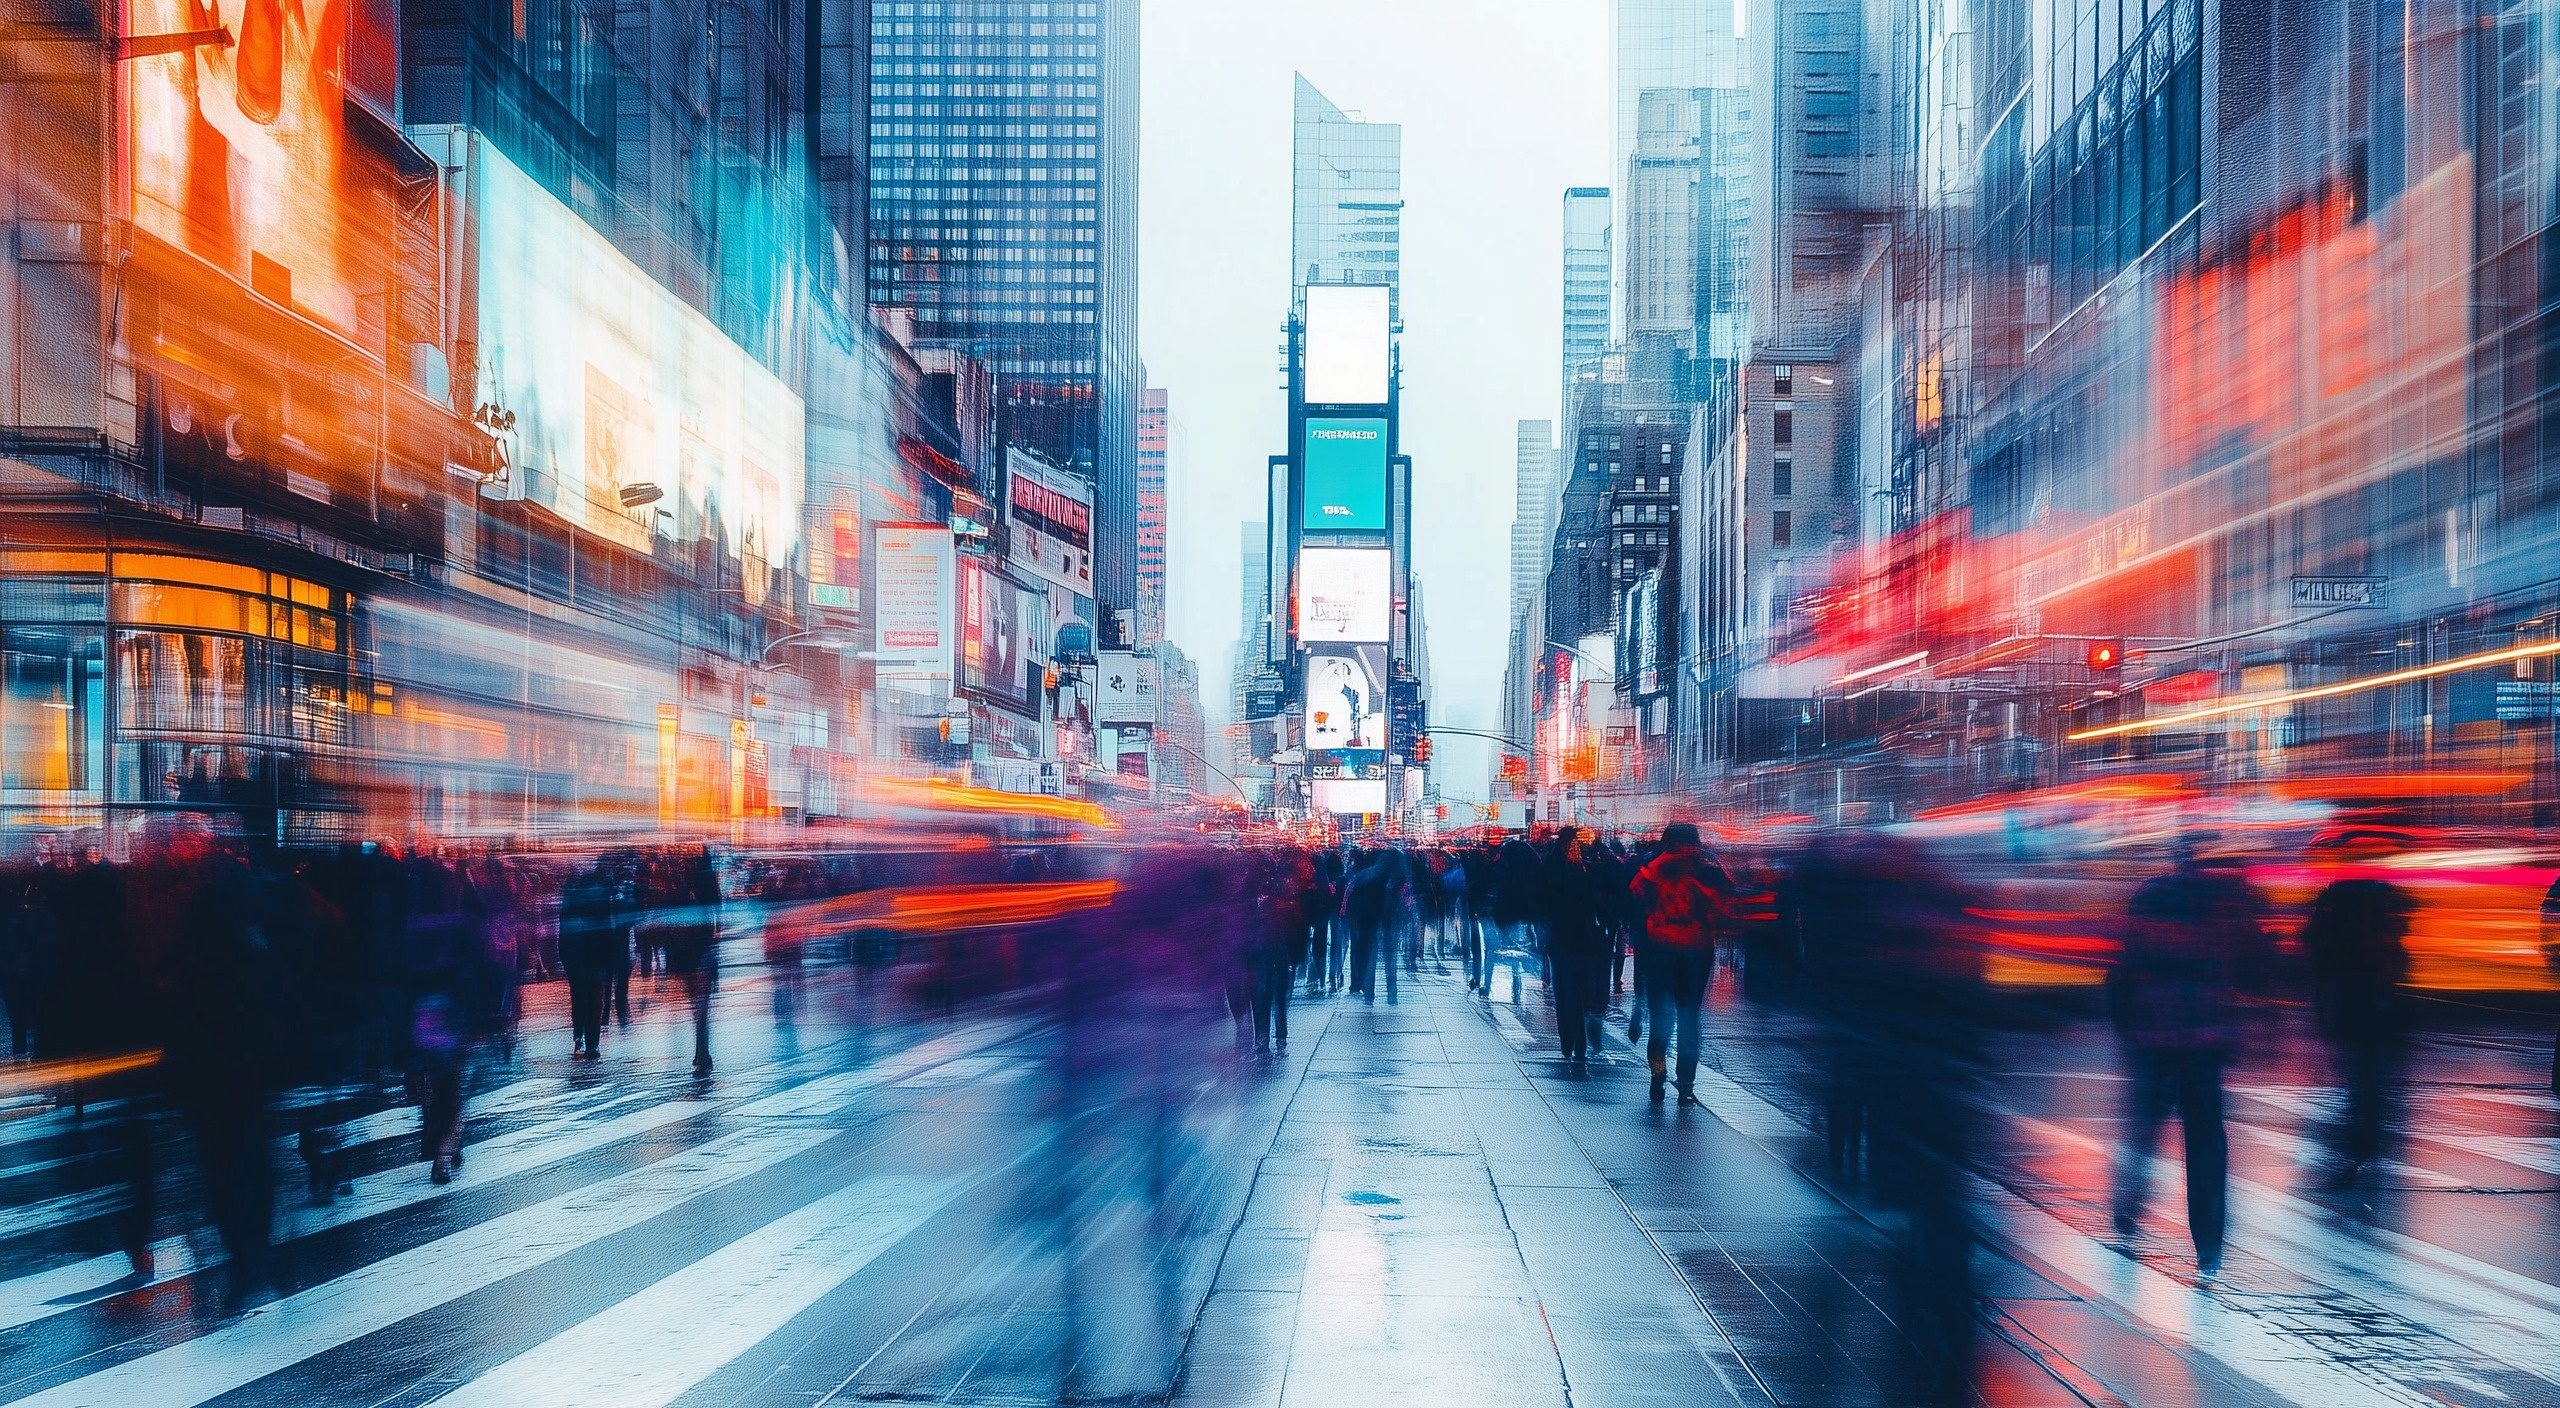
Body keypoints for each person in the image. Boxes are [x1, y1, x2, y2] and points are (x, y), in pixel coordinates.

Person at [2107, 840, 2257, 1276]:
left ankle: (2128, 1208)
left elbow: (2121, 968)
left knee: (2144, 1129)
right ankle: (2208, 1241)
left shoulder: (2149, 896)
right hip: (2205, 1039)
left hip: (2153, 1035)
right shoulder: (2225, 907)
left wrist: (2127, 1028)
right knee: (2206, 1140)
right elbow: (2251, 967)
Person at [2303, 877, 2414, 1185]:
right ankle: (2363, 1147)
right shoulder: (2381, 937)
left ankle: (2355, 1151)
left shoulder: (2335, 931)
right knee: (2368, 1086)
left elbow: (2317, 966)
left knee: (2359, 1085)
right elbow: (2398, 971)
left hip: (2348, 1014)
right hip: (2373, 1015)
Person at [1631, 823, 1727, 1104]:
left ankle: (1657, 1072)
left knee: (1661, 1016)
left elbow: (1636, 899)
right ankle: (1686, 1084)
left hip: (1659, 948)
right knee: (1689, 1017)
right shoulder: (1708, 866)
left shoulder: (1654, 865)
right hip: (1697, 950)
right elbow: (1722, 905)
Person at [556, 850, 634, 1059]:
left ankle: (585, 1038)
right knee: (592, 997)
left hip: (585, 953)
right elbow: (616, 924)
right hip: (593, 952)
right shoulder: (605, 892)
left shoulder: (588, 890)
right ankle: (589, 1041)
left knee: (583, 997)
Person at [1543, 832, 1612, 1064]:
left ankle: (1568, 1042)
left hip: (1561, 938)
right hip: (1584, 939)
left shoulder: (1551, 869)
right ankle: (1579, 1042)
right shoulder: (1588, 871)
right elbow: (1600, 903)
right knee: (1582, 990)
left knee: (1564, 992)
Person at [657, 845, 723, 1077]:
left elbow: (667, 914)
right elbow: (718, 913)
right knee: (701, 1006)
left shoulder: (678, 882)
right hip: (702, 946)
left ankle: (701, 1050)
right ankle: (702, 1050)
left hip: (685, 949)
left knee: (695, 1002)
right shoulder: (708, 879)